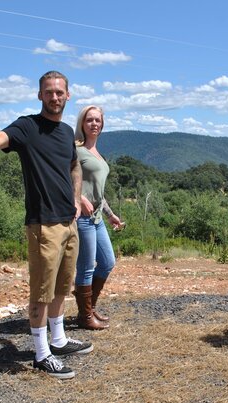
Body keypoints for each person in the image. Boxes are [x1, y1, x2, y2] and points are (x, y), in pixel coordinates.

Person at [0, 70, 93, 379]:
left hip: (68, 222)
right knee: (41, 291)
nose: (54, 97)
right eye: (48, 92)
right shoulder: (28, 126)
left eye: (59, 92)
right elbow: (4, 138)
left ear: (68, 95)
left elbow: (73, 166)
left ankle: (58, 340)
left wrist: (77, 198)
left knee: (60, 286)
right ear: (40, 95)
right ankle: (41, 355)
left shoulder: (67, 132)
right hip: (43, 225)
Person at [72, 105, 125, 330]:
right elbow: (63, 179)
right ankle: (85, 317)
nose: (94, 124)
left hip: (97, 218)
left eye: (98, 120)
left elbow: (98, 192)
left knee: (107, 262)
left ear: (102, 125)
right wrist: (79, 198)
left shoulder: (97, 154)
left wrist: (110, 214)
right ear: (82, 123)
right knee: (85, 267)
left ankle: (89, 308)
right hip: (82, 218)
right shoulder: (76, 150)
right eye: (89, 120)